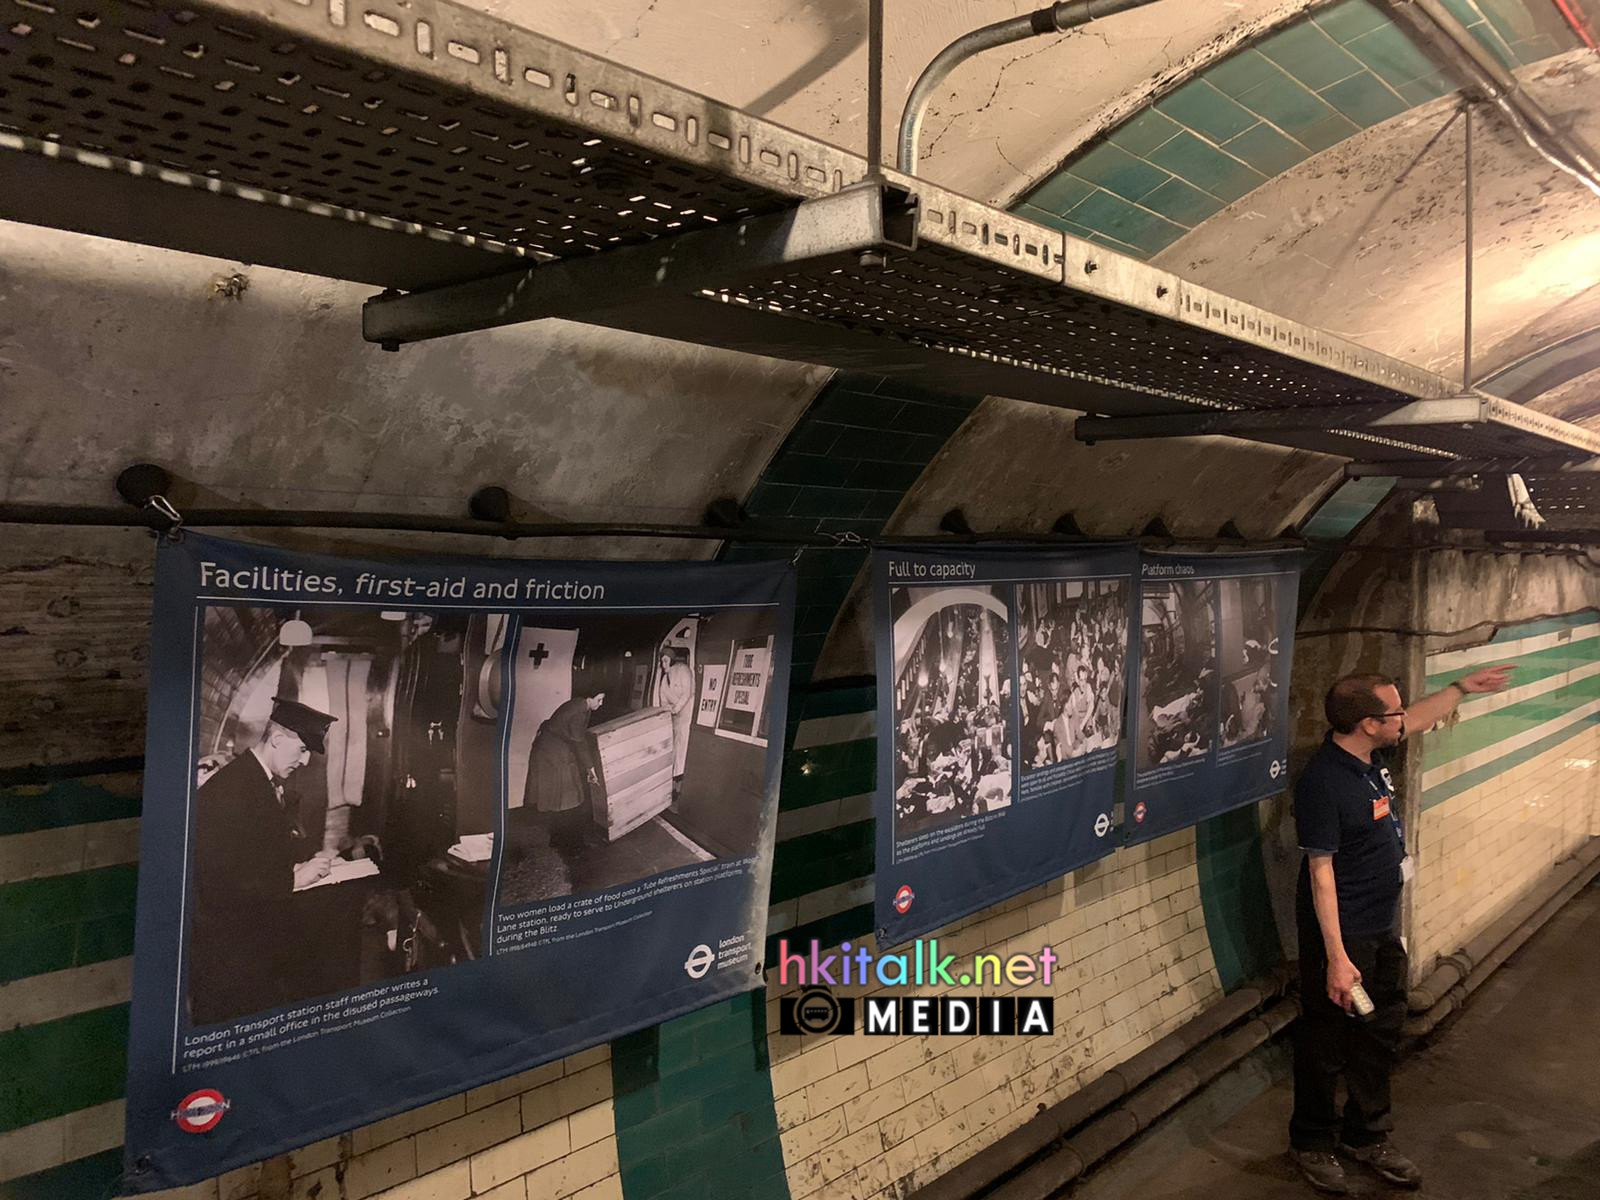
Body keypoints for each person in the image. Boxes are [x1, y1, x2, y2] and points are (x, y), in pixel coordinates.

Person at [1290, 665, 1513, 1194]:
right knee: (1327, 1039)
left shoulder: (1371, 756)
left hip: (1381, 927)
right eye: (1394, 711)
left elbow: (1417, 717)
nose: (1403, 718)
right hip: (1343, 937)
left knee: (1379, 1031)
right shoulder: (1324, 782)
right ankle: (1312, 1142)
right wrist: (1338, 958)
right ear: (1368, 723)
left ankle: (1366, 1135)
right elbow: (1321, 875)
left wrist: (1460, 689)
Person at [189, 696, 338, 1026]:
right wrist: (293, 879)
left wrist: (295, 866)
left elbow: (249, 856)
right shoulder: (231, 790)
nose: (304, 761)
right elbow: (218, 883)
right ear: (277, 739)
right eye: (302, 750)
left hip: (251, 950)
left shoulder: (257, 781)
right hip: (229, 960)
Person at [522, 691, 605, 856]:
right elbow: (579, 743)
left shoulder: (578, 704)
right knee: (569, 800)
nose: (601, 703)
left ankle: (557, 840)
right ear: (590, 697)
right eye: (599, 699)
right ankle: (572, 847)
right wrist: (591, 768)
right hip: (553, 755)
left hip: (548, 750)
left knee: (560, 799)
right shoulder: (579, 711)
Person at [656, 648, 695, 799]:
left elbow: (687, 693)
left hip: (686, 716)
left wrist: (676, 708)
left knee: (682, 752)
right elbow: (663, 699)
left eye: (665, 660)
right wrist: (667, 710)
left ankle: (679, 788)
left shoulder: (683, 670)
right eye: (662, 661)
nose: (663, 664)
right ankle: (672, 787)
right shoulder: (665, 679)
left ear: (672, 660)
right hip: (675, 718)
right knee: (674, 751)